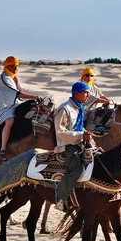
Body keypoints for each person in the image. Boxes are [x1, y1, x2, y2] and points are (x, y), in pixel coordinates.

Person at [0, 56, 41, 162]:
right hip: (3, 106)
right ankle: (3, 149)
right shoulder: (4, 78)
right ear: (6, 67)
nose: (14, 68)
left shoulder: (14, 78)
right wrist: (33, 96)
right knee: (9, 121)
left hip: (14, 103)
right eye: (11, 66)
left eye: (16, 66)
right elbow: (15, 94)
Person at [54, 81, 93, 211]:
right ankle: (60, 198)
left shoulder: (79, 107)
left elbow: (79, 127)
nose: (88, 95)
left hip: (80, 142)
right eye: (85, 92)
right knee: (77, 169)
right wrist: (81, 136)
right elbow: (60, 132)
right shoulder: (65, 109)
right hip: (68, 145)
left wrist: (86, 134)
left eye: (88, 92)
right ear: (77, 93)